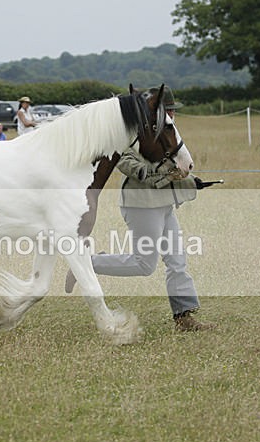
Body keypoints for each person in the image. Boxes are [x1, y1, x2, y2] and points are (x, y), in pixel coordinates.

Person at [65, 86, 214, 332]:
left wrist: (190, 180)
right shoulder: (129, 137)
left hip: (164, 205)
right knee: (144, 265)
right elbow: (139, 170)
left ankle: (183, 317)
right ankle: (86, 263)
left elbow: (170, 168)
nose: (171, 116)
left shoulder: (164, 134)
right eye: (168, 111)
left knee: (177, 261)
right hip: (141, 205)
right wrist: (173, 175)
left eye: (172, 112)